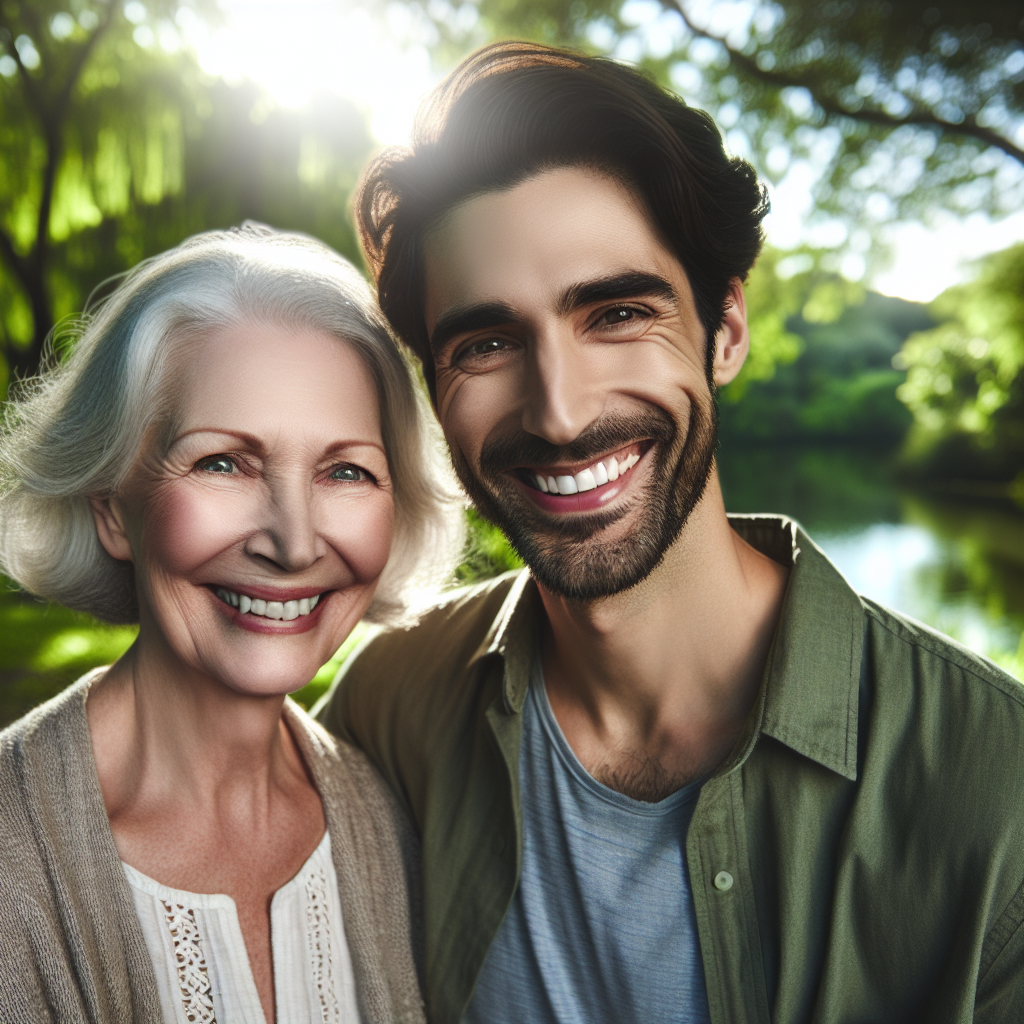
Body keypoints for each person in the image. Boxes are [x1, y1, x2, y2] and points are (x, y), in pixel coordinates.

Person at [316, 42, 1024, 1023]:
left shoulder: (999, 790)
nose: (559, 413)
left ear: (724, 327)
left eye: (614, 312)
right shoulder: (387, 708)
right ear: (435, 389)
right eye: (484, 342)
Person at [0, 225, 464, 1023]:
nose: (293, 542)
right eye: (224, 462)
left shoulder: (391, 817)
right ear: (112, 505)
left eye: (345, 470)